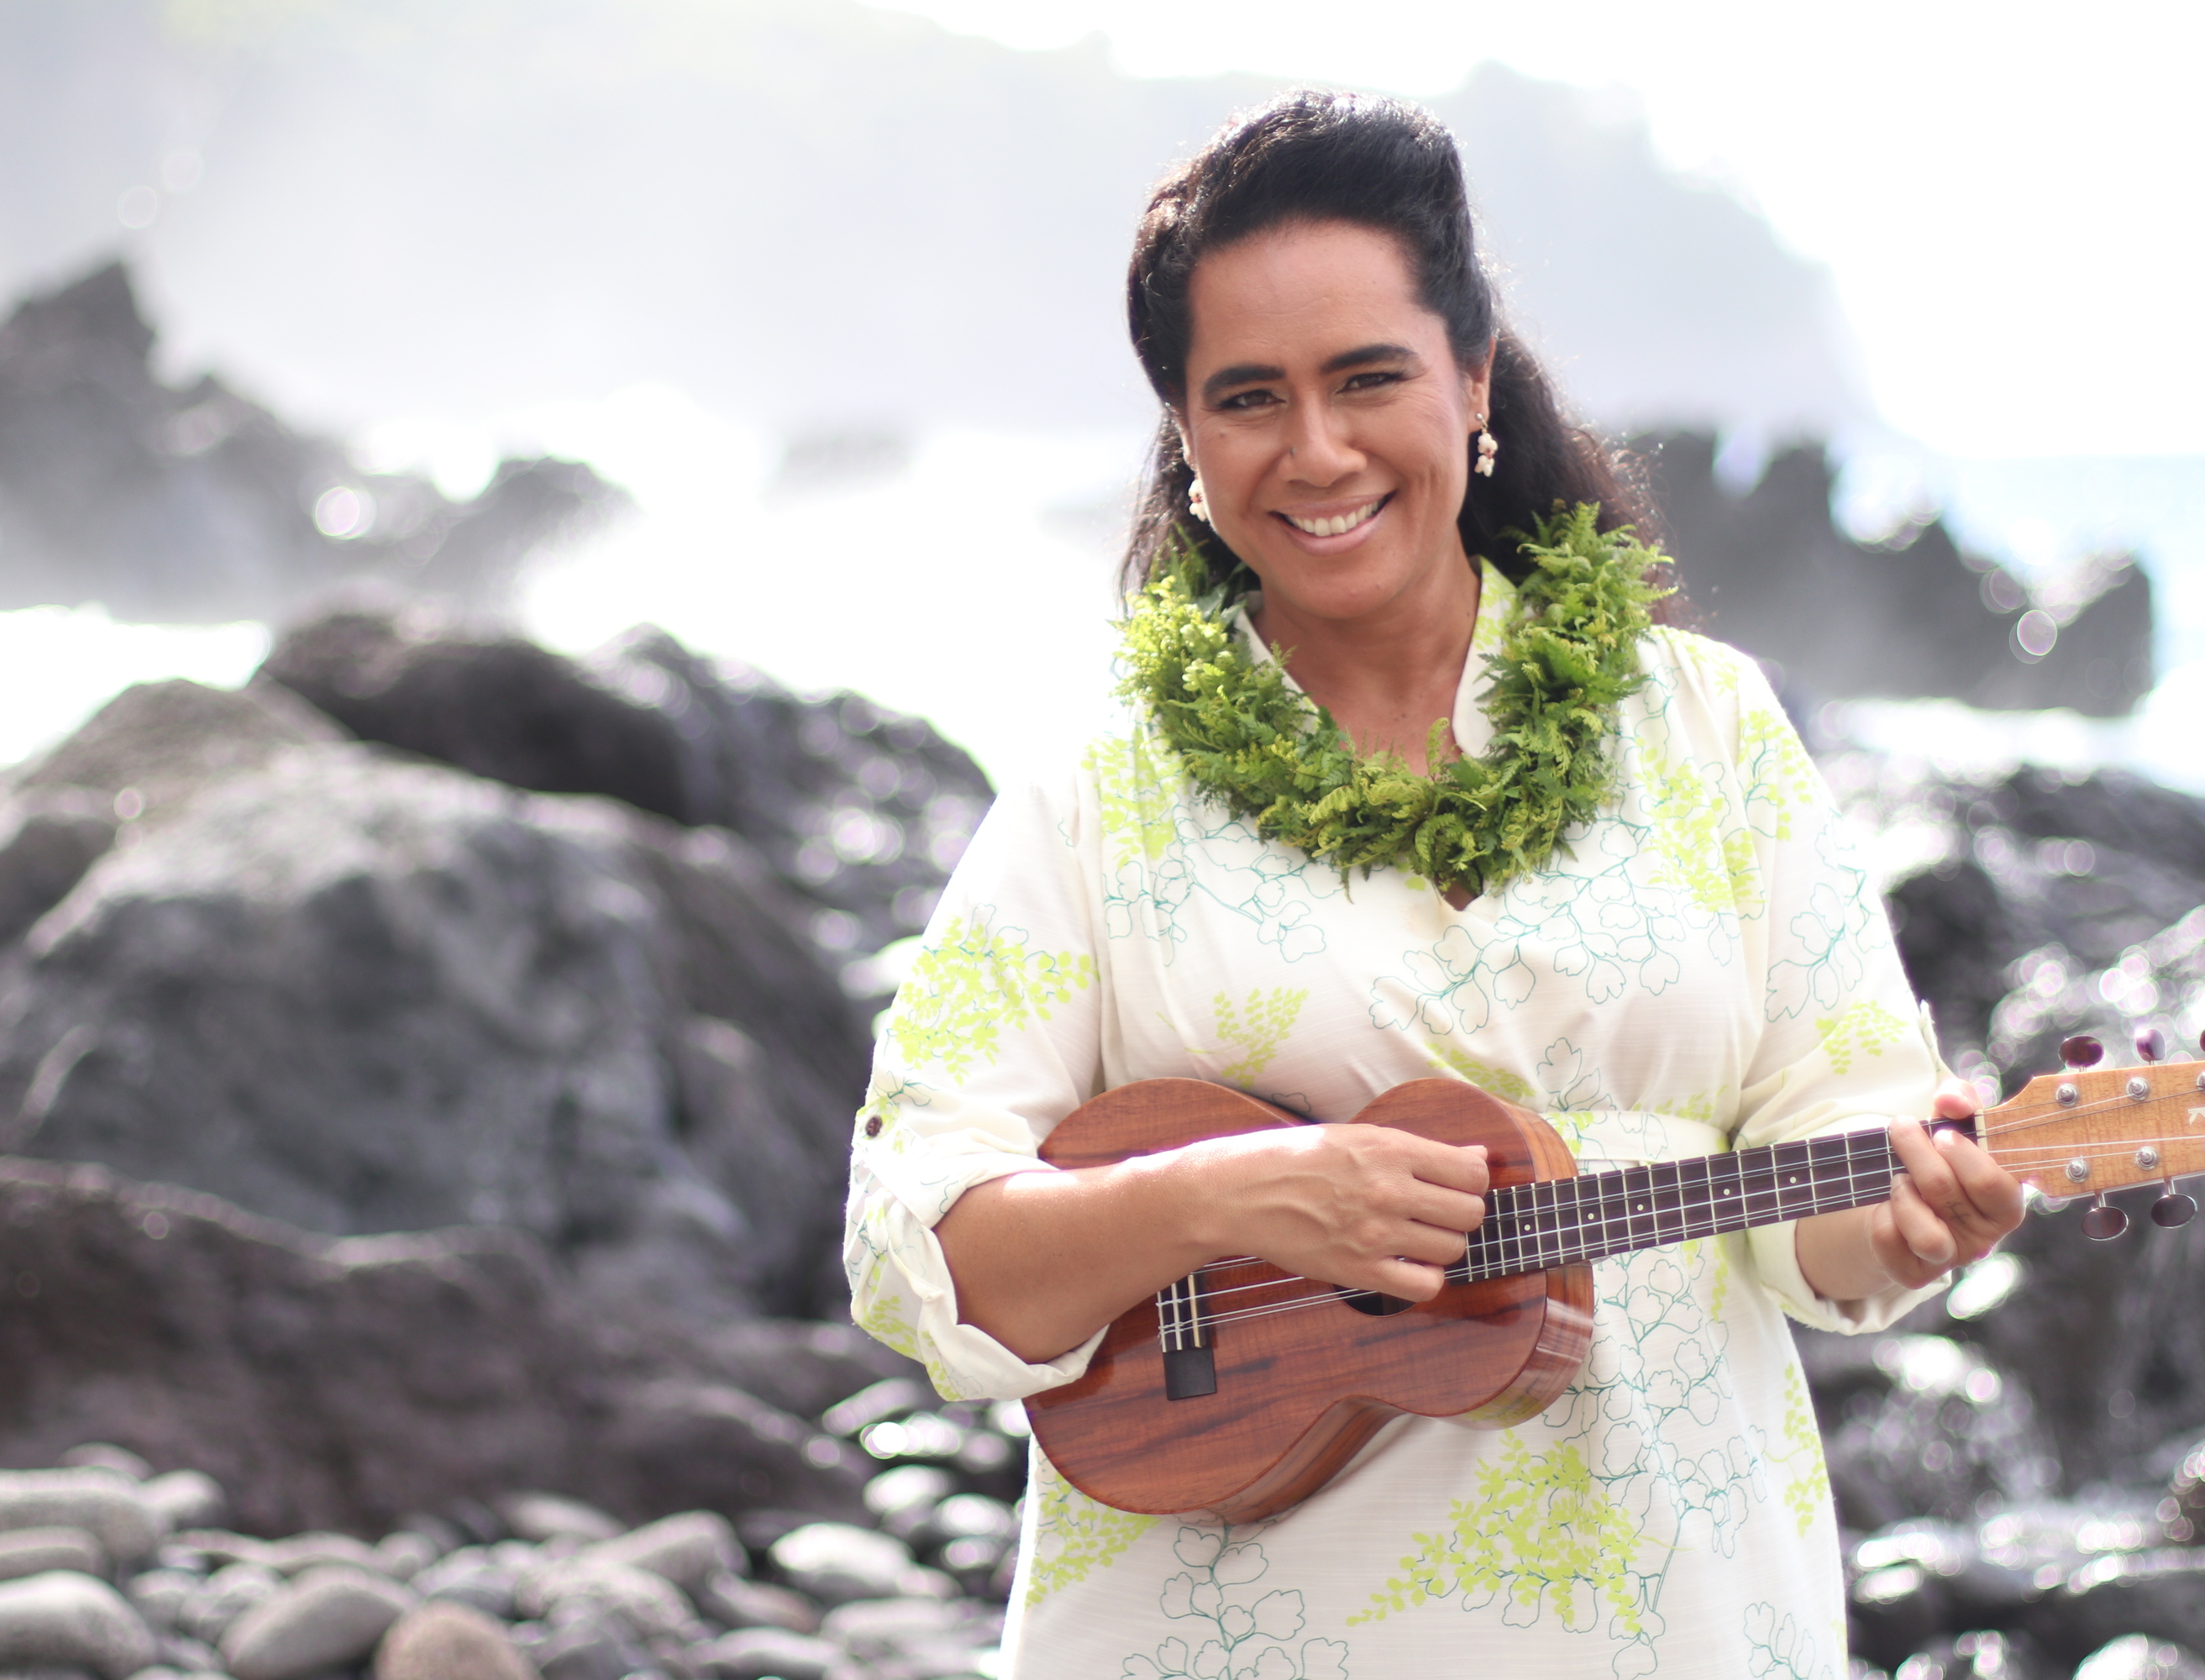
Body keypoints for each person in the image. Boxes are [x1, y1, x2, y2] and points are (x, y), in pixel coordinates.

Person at [844, 90, 2024, 1678]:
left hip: (1668, 1609)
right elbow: (915, 1236)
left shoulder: (1703, 727)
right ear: (1187, 440)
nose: (1317, 450)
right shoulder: (1099, 793)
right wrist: (1226, 1196)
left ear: (1472, 383)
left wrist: (1913, 1221)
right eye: (1248, 396)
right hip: (1222, 1632)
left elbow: (1826, 1174)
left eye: (1368, 379)